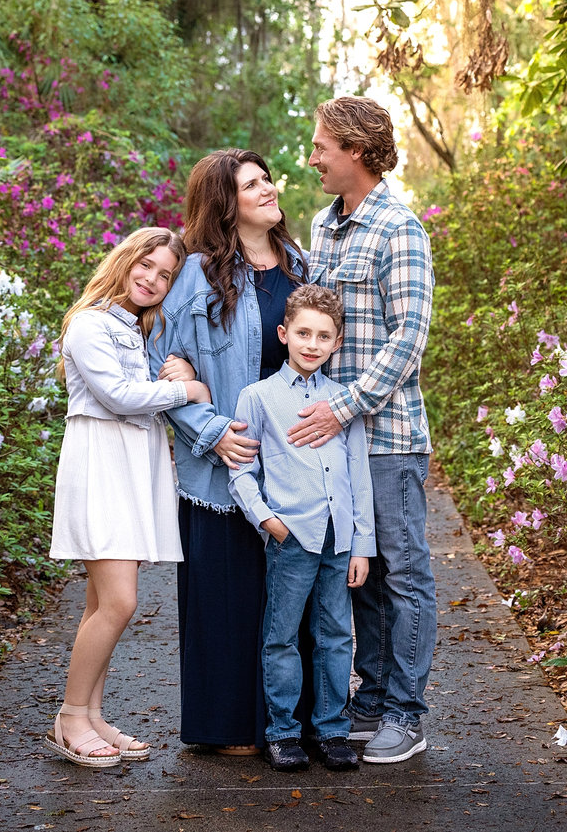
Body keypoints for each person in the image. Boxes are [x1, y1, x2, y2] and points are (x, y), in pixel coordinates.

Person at [288, 96, 437, 764]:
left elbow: (409, 339)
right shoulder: (326, 227)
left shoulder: (398, 230)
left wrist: (343, 405)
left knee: (404, 575)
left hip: (388, 438)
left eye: (321, 145)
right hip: (337, 442)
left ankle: (406, 713)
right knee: (365, 574)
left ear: (354, 150)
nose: (311, 156)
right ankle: (371, 698)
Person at [148, 149, 307, 754]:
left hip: (293, 463)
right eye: (252, 184)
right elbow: (158, 370)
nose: (268, 189)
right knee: (227, 595)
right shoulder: (193, 274)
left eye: (267, 179)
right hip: (222, 464)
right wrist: (212, 432)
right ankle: (230, 725)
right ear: (225, 202)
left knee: (289, 600)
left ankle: (289, 722)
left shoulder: (300, 267)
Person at [44, 227, 211, 768]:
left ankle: (90, 713)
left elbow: (147, 381)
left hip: (131, 470)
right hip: (101, 468)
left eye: (165, 275)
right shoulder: (90, 324)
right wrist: (186, 390)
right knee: (120, 602)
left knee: (101, 602)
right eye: (147, 266)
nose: (153, 280)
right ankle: (70, 717)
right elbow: (117, 397)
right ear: (125, 260)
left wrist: (180, 369)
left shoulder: (139, 331)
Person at [228, 285, 375, 773]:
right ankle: (284, 731)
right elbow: (241, 473)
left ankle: (333, 730)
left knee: (335, 634)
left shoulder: (342, 403)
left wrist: (362, 545)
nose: (312, 344)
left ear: (337, 343)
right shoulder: (258, 398)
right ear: (284, 334)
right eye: (304, 333)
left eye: (324, 336)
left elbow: (357, 477)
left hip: (338, 538)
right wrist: (269, 521)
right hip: (291, 537)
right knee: (283, 636)